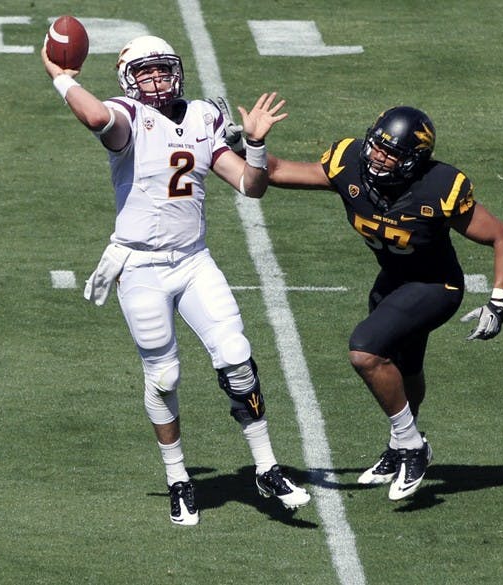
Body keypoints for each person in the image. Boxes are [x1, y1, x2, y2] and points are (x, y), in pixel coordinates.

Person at [41, 35, 310, 526]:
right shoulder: (126, 115)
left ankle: (267, 467)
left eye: (163, 69)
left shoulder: (203, 116)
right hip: (141, 267)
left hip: (192, 261)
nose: (158, 79)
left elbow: (251, 187)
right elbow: (98, 119)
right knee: (163, 377)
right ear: (128, 79)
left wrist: (254, 143)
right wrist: (61, 78)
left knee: (236, 356)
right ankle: (178, 478)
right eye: (146, 72)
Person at [219, 101, 503, 501]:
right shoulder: (349, 163)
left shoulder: (440, 186)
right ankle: (399, 448)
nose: (377, 156)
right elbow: (274, 171)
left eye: (390, 152)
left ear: (413, 159)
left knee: (365, 351)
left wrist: (497, 302)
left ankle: (412, 445)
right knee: (405, 369)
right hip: (392, 282)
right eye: (376, 145)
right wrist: (249, 145)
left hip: (435, 287)